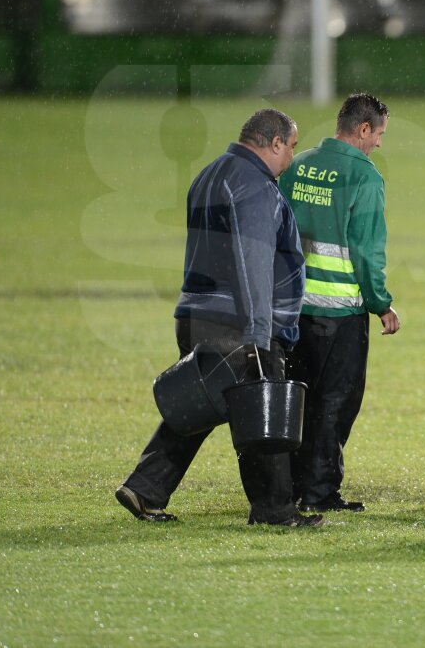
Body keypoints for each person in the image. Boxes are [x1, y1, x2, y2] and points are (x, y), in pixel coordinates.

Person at [116, 109, 321, 528]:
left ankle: (145, 488)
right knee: (264, 413)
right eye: (292, 147)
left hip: (196, 313)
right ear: (275, 142)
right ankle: (275, 511)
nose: (292, 158)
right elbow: (253, 263)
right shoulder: (256, 187)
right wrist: (259, 335)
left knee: (200, 403)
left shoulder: (210, 174)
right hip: (237, 322)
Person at [279, 93, 400, 512]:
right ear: (363, 129)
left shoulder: (298, 165)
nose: (380, 143)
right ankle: (319, 492)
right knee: (336, 402)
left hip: (293, 310)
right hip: (340, 312)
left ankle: (290, 486)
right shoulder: (364, 177)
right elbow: (366, 252)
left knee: (299, 398)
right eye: (379, 133)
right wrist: (381, 303)